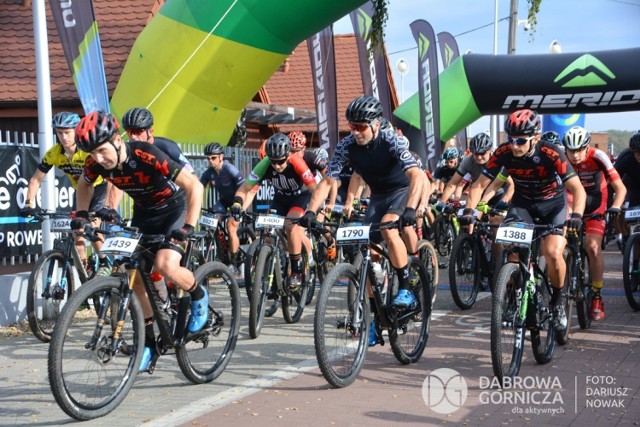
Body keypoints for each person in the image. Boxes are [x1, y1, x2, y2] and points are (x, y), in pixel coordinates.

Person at [73, 110, 206, 373]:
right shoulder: (96, 163)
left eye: (101, 150)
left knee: (165, 264)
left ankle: (198, 296)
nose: (98, 158)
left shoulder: (145, 153)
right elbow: (84, 185)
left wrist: (189, 227)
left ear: (117, 140)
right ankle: (149, 342)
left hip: (174, 210)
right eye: (92, 154)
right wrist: (83, 217)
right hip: (144, 214)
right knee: (134, 272)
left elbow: (194, 186)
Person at [299, 95, 423, 346]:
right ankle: (377, 318)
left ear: (376, 124)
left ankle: (407, 287)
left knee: (389, 228)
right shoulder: (346, 146)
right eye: (352, 126)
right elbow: (329, 181)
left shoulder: (392, 140)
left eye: (361, 126)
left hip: (401, 192)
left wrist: (411, 208)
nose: (355, 132)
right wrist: (311, 212)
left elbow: (417, 176)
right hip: (377, 196)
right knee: (367, 251)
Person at [465, 109, 586, 335]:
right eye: (511, 139)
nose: (514, 145)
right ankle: (515, 296)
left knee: (551, 252)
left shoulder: (552, 152)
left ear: (536, 138)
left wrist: (577, 216)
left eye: (521, 140)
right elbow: (480, 185)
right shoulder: (503, 152)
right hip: (523, 205)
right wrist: (471, 211)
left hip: (553, 205)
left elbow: (577, 189)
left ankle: (558, 302)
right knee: (513, 252)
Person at [21, 112, 119, 274]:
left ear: (76, 131)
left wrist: (109, 205)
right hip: (80, 191)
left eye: (67, 132)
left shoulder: (87, 151)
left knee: (92, 226)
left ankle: (104, 263)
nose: (64, 137)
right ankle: (86, 268)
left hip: (98, 188)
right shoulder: (54, 153)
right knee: (77, 231)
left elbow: (110, 178)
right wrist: (28, 203)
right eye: (59, 133)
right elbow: (35, 179)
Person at [231, 132, 317, 287]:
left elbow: (314, 189)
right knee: (268, 230)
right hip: (280, 199)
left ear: (288, 155)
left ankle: (296, 270)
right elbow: (247, 189)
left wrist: (313, 211)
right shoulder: (265, 163)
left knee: (291, 227)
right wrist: (238, 204)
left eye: (281, 161)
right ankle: (270, 267)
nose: (277, 166)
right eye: (273, 162)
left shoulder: (297, 162)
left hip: (300, 197)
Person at [563, 126, 626, 320]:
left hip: (596, 202)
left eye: (579, 150)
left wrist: (615, 206)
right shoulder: (561, 158)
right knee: (560, 240)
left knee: (592, 246)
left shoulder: (598, 156)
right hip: (571, 200)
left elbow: (620, 187)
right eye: (570, 150)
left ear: (586, 146)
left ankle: (597, 295)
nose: (574, 155)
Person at [200, 142, 246, 270]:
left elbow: (244, 187)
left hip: (239, 201)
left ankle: (234, 262)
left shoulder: (229, 169)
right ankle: (222, 254)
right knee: (211, 222)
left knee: (231, 227)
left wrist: (239, 204)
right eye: (208, 158)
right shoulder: (208, 173)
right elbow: (198, 188)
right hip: (225, 201)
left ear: (221, 157)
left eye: (213, 157)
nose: (210, 161)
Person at [121, 107, 194, 173]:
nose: (133, 136)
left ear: (150, 131)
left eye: (138, 131)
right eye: (129, 132)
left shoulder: (168, 147)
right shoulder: (126, 150)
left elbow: (191, 176)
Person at [614, 131, 640, 268]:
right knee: (635, 228)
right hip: (633, 188)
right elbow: (611, 180)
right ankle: (634, 263)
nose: (639, 156)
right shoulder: (626, 158)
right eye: (637, 153)